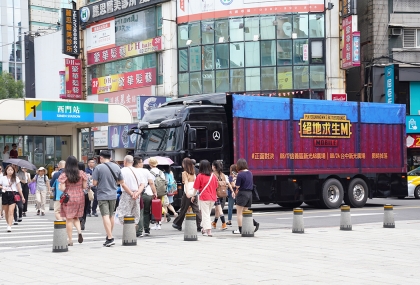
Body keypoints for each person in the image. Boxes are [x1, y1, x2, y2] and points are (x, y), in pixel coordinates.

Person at [92, 150, 124, 247]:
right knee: (111, 215)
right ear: (110, 157)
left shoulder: (98, 168)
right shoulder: (117, 167)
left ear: (101, 158)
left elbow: (94, 183)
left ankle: (110, 237)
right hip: (113, 195)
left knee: (105, 216)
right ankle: (108, 235)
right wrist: (113, 183)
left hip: (102, 195)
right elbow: (121, 181)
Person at [58, 156, 88, 246]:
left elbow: (62, 188)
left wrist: (60, 188)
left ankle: (70, 240)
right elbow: (84, 187)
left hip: (69, 197)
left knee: (69, 219)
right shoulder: (81, 173)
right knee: (76, 217)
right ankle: (79, 231)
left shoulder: (64, 174)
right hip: (80, 196)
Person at [172, 157, 202, 231]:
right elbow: (195, 183)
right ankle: (200, 225)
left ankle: (177, 223)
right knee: (196, 209)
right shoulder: (194, 173)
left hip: (187, 192)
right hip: (194, 192)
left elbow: (186, 182)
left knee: (183, 208)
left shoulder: (184, 173)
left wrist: (188, 192)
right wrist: (194, 193)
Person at [191, 160, 218, 237]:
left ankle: (208, 231)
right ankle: (203, 228)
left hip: (204, 197)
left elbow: (196, 188)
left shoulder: (200, 176)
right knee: (207, 213)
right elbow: (216, 186)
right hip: (213, 197)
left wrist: (193, 196)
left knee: (205, 214)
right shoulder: (213, 176)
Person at [116, 155, 145, 225]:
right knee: (135, 214)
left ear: (125, 162)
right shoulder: (138, 171)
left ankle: (127, 232)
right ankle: (132, 232)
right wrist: (137, 193)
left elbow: (123, 184)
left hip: (127, 194)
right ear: (132, 162)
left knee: (123, 213)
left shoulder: (122, 171)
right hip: (137, 195)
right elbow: (142, 184)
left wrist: (131, 193)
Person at [232, 159, 259, 234]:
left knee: (239, 213)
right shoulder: (250, 173)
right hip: (249, 194)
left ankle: (240, 229)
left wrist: (234, 184)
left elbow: (237, 186)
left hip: (242, 194)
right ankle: (254, 223)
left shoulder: (240, 174)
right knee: (245, 212)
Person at [133, 156, 157, 237]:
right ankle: (147, 230)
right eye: (142, 162)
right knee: (146, 212)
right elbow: (151, 183)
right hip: (147, 193)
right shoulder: (146, 171)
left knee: (139, 212)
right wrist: (155, 192)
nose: (143, 163)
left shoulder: (132, 170)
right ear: (138, 163)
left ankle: (139, 231)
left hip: (135, 193)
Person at [0, 164, 25, 232]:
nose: (10, 171)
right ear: (6, 171)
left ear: (13, 171)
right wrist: (3, 187)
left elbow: (19, 188)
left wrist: (22, 196)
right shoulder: (3, 178)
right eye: (9, 170)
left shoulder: (16, 178)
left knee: (11, 211)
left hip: (13, 194)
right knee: (6, 212)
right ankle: (8, 223)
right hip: (5, 194)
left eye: (12, 170)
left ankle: (9, 226)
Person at [211, 160, 233, 230]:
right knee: (217, 208)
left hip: (215, 194)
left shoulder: (212, 174)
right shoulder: (223, 175)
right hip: (223, 193)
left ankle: (223, 223)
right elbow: (228, 183)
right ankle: (214, 222)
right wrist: (232, 191)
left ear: (214, 167)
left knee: (219, 209)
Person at [148, 157, 167, 230]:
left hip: (152, 192)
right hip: (161, 191)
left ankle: (157, 223)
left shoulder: (150, 172)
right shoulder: (161, 172)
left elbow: (150, 183)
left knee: (153, 208)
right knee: (159, 207)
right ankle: (158, 222)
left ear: (150, 164)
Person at [78, 162, 90, 230]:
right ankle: (83, 221)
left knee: (78, 209)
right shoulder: (86, 175)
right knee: (84, 210)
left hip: (78, 195)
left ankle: (79, 220)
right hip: (85, 194)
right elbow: (89, 185)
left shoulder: (75, 175)